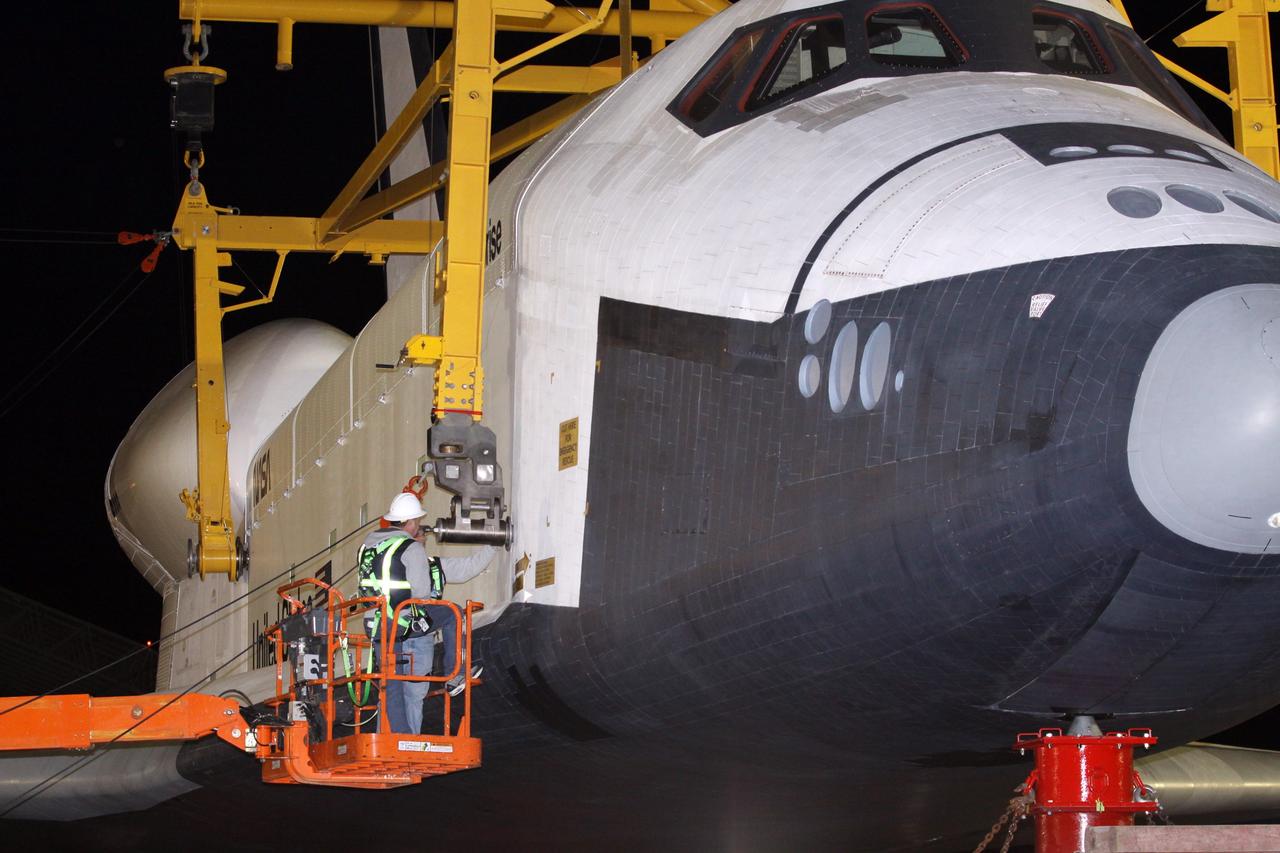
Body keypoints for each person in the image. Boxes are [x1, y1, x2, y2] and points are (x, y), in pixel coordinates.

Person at [358, 492, 493, 735]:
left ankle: (398, 738)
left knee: (392, 684)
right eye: (418, 527)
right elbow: (420, 591)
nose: (420, 533)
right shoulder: (410, 548)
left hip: (376, 623)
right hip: (405, 622)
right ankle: (456, 674)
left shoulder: (370, 544)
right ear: (410, 523)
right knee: (453, 614)